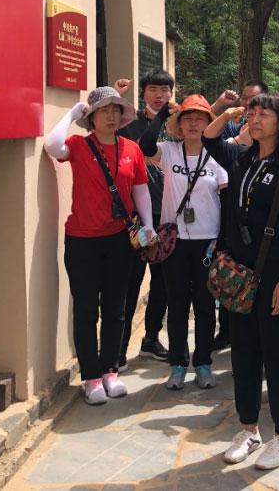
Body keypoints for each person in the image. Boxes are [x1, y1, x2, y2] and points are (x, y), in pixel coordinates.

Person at [203, 94, 279, 470]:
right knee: (244, 355)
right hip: (240, 277)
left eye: (263, 114)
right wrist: (230, 113)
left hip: (276, 276)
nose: (255, 119)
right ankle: (248, 429)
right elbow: (209, 138)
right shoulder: (242, 159)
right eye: (252, 113)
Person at [44, 87, 154, 405]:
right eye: (104, 110)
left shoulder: (132, 148)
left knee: (116, 309)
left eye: (116, 110)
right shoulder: (79, 145)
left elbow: (141, 190)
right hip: (83, 240)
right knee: (86, 309)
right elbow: (52, 145)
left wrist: (148, 225)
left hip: (120, 239)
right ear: (91, 117)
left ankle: (110, 371)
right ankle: (91, 377)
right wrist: (71, 114)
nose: (111, 116)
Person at [155, 95, 228, 390]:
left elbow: (227, 199)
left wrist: (224, 241)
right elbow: (145, 145)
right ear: (179, 124)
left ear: (209, 123)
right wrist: (162, 113)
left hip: (207, 240)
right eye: (188, 118)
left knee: (205, 305)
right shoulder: (169, 151)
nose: (194, 124)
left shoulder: (218, 156)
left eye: (200, 118)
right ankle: (177, 364)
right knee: (176, 304)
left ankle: (203, 363)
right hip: (175, 241)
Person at [113, 71, 173, 367]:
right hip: (135, 217)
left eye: (164, 90)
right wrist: (116, 96)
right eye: (153, 89)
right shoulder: (129, 122)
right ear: (143, 92)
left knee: (161, 283)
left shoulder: (176, 123)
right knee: (130, 281)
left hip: (167, 214)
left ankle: (150, 339)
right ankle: (119, 348)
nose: (159, 95)